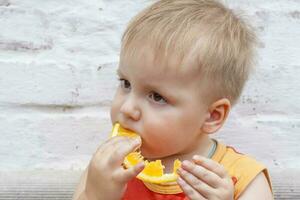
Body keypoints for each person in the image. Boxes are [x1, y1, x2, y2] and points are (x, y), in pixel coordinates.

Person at [73, 0, 273, 199]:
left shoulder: (243, 180)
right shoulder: (108, 167)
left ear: (212, 116)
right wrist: (97, 195)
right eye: (126, 83)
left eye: (157, 97)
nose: (126, 108)